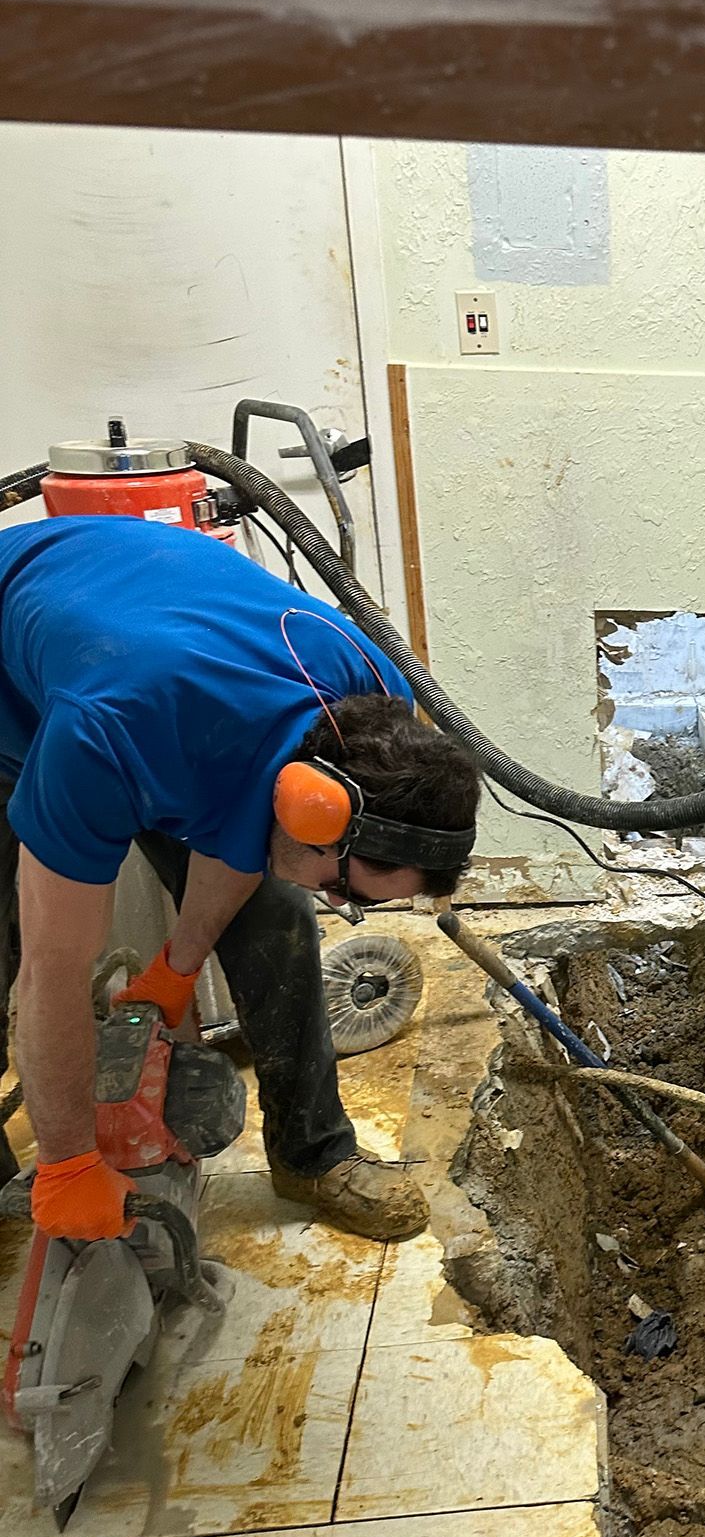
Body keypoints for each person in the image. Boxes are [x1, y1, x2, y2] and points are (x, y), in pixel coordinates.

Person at [0, 512, 481, 1247]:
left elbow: (248, 814)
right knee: (22, 953)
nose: (336, 904)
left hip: (153, 655)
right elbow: (53, 976)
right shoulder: (111, 732)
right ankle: (35, 1182)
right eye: (346, 890)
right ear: (317, 809)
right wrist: (66, 1159)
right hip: (45, 678)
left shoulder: (371, 694)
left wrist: (176, 966)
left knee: (275, 920)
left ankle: (312, 1156)